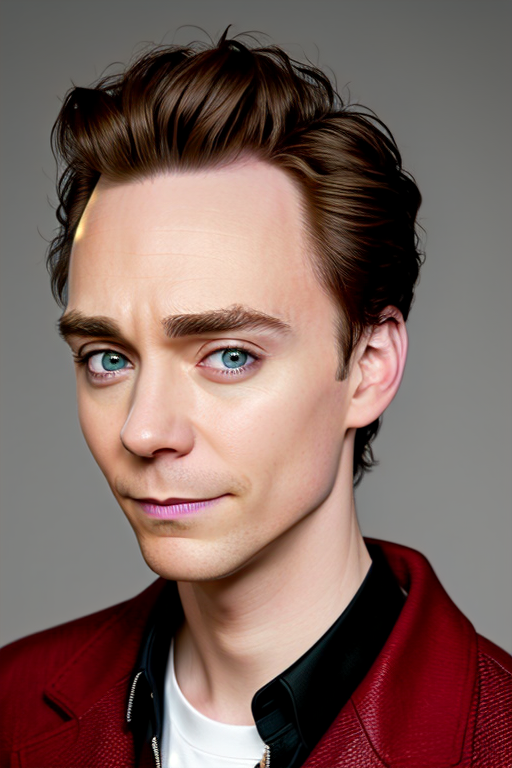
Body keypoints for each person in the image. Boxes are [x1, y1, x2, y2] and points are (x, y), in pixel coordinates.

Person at [0, 27, 510, 768]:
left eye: (229, 356)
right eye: (108, 359)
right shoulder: (10, 709)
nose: (143, 430)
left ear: (369, 366)